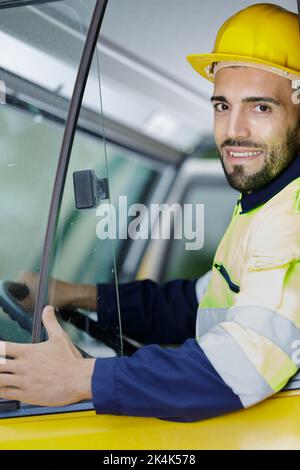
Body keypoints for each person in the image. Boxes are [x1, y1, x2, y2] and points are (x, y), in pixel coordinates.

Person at [1, 2, 300, 422]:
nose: (234, 130)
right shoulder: (263, 203)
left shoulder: (292, 215)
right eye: (222, 106)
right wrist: (74, 294)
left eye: (260, 107)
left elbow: (239, 368)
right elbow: (194, 304)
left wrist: (83, 379)